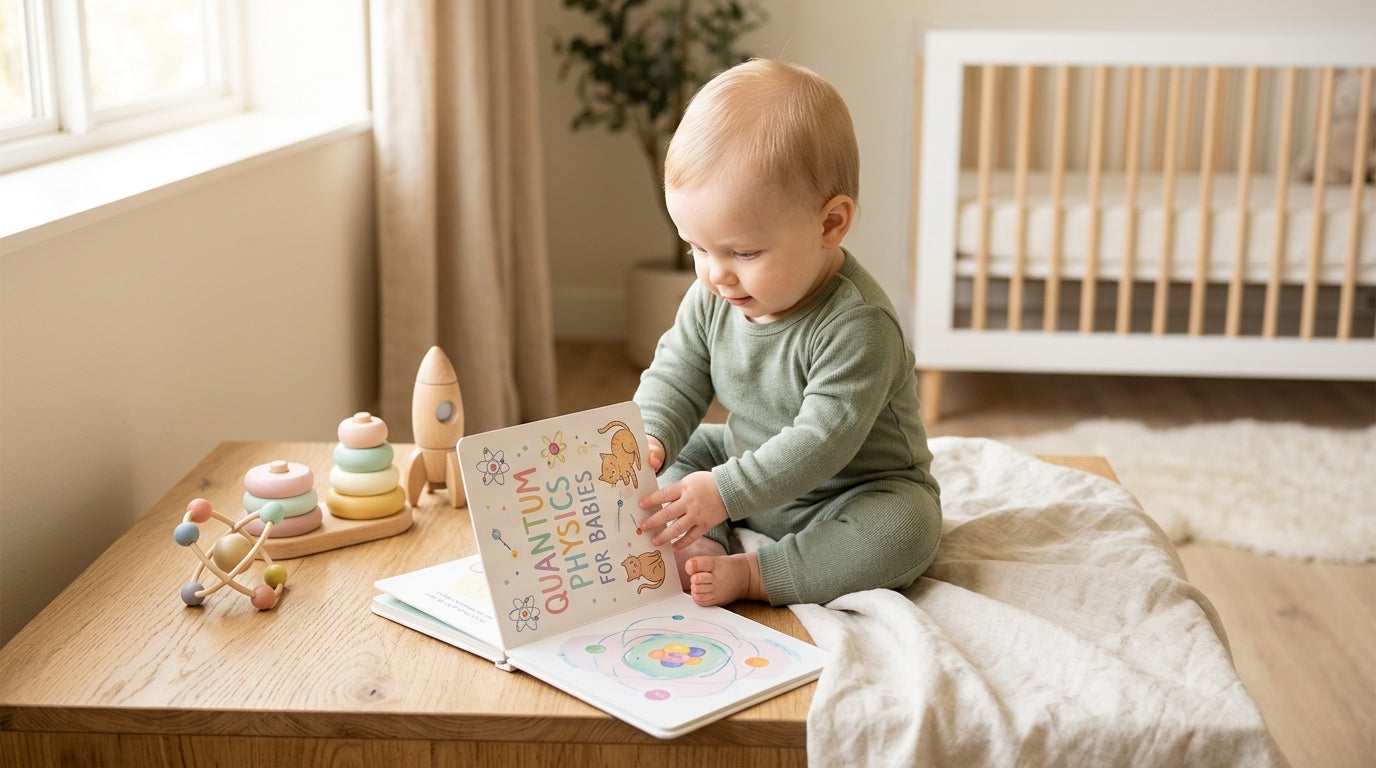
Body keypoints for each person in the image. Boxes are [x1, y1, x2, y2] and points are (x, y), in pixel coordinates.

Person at [633, 59, 942, 607]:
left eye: (743, 252)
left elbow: (820, 443)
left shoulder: (857, 324)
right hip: (748, 459)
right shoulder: (713, 293)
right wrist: (653, 437)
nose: (715, 273)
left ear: (831, 224)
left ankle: (758, 571)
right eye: (696, 248)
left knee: (906, 529)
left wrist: (725, 491)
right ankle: (702, 536)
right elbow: (676, 374)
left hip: (848, 491)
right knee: (684, 459)